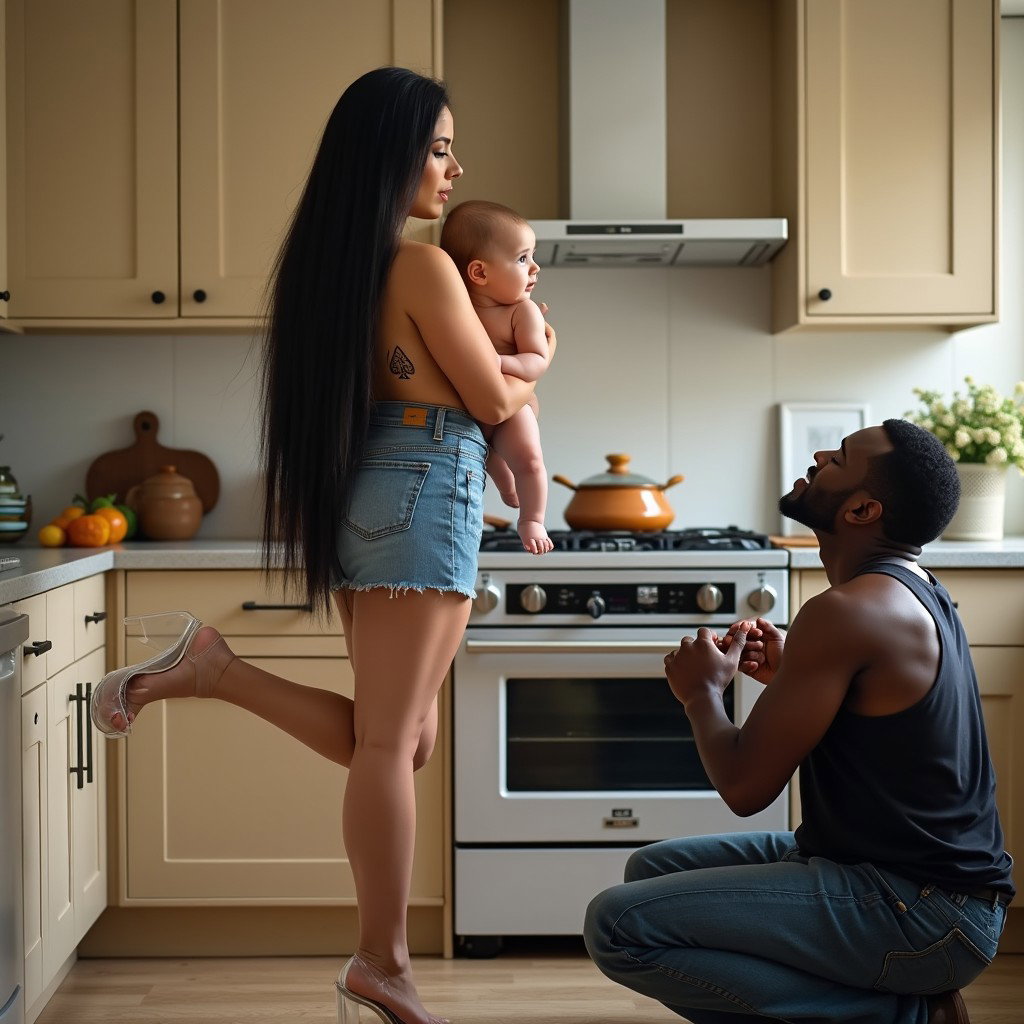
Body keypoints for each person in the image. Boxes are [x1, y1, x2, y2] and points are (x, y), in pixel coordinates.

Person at [89, 66, 555, 1024]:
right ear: (386, 153)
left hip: (379, 488)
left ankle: (215, 669)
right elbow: (497, 398)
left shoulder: (337, 272)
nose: (453, 165)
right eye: (437, 146)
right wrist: (541, 357)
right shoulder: (423, 266)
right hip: (428, 486)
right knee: (392, 743)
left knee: (404, 741)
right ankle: (382, 962)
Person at [584, 419, 1014, 1024]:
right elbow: (880, 717)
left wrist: (702, 694)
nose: (817, 456)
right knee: (651, 869)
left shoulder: (846, 611)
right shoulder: (912, 588)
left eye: (838, 458)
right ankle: (879, 1000)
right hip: (914, 887)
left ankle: (904, 1017)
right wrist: (794, 675)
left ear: (863, 509)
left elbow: (744, 789)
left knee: (617, 923)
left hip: (923, 914)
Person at [439, 199, 552, 554]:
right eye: (523, 258)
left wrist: (498, 363)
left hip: (514, 409)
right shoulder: (457, 310)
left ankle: (531, 518)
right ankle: (506, 487)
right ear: (479, 273)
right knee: (485, 456)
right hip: (470, 409)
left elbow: (536, 360)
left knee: (529, 460)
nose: (535, 268)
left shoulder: (524, 311)